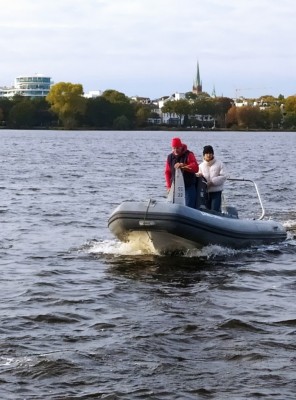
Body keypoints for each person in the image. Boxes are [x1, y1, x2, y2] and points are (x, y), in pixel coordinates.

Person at [165, 137, 199, 208]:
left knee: (189, 207)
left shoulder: (189, 155)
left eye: (177, 148)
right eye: (174, 148)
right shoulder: (170, 157)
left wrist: (183, 166)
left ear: (181, 147)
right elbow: (167, 172)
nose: (175, 150)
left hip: (188, 186)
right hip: (175, 188)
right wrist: (168, 187)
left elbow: (195, 168)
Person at [196, 145, 227, 212]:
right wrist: (199, 176)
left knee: (215, 210)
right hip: (205, 193)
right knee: (205, 210)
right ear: (204, 155)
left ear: (213, 154)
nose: (209, 155)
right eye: (207, 153)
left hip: (216, 192)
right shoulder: (200, 166)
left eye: (210, 153)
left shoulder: (220, 164)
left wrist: (212, 182)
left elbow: (223, 177)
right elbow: (198, 177)